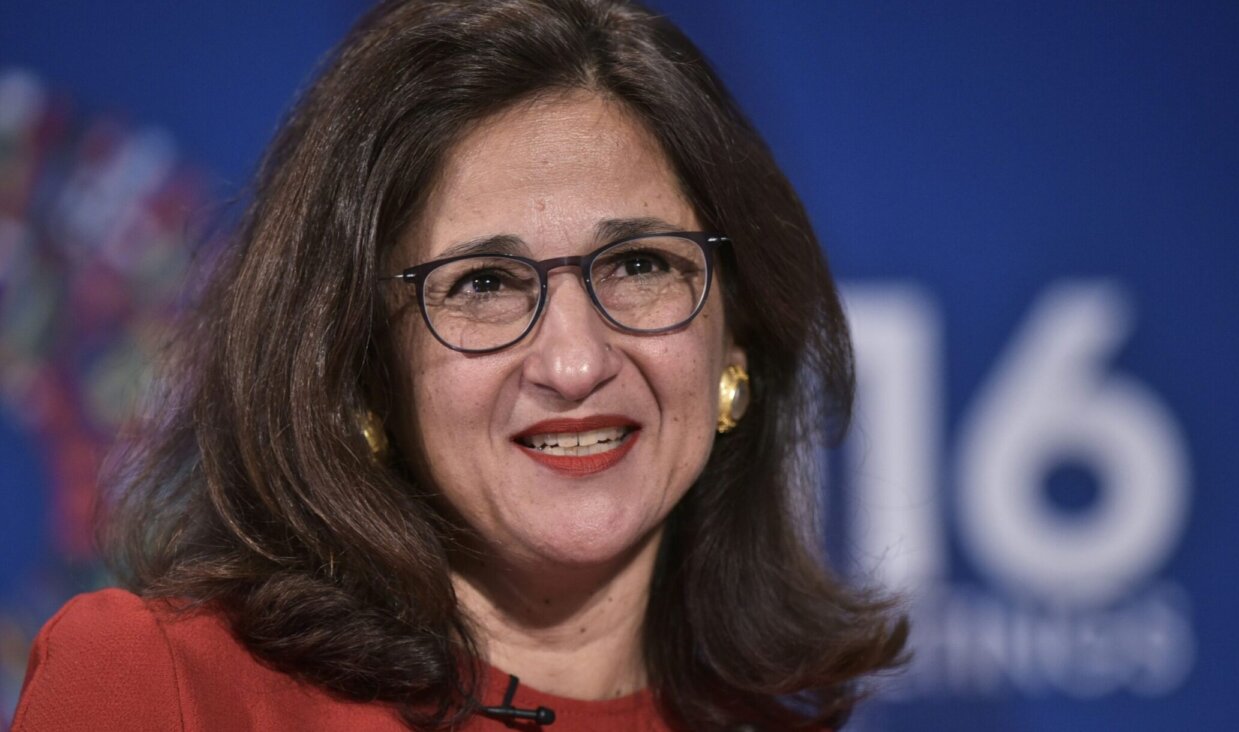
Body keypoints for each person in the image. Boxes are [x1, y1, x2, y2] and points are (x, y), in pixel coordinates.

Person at [12, 0, 906, 730]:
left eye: (639, 266)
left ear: (735, 337)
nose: (574, 360)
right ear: (362, 370)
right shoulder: (165, 690)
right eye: (483, 282)